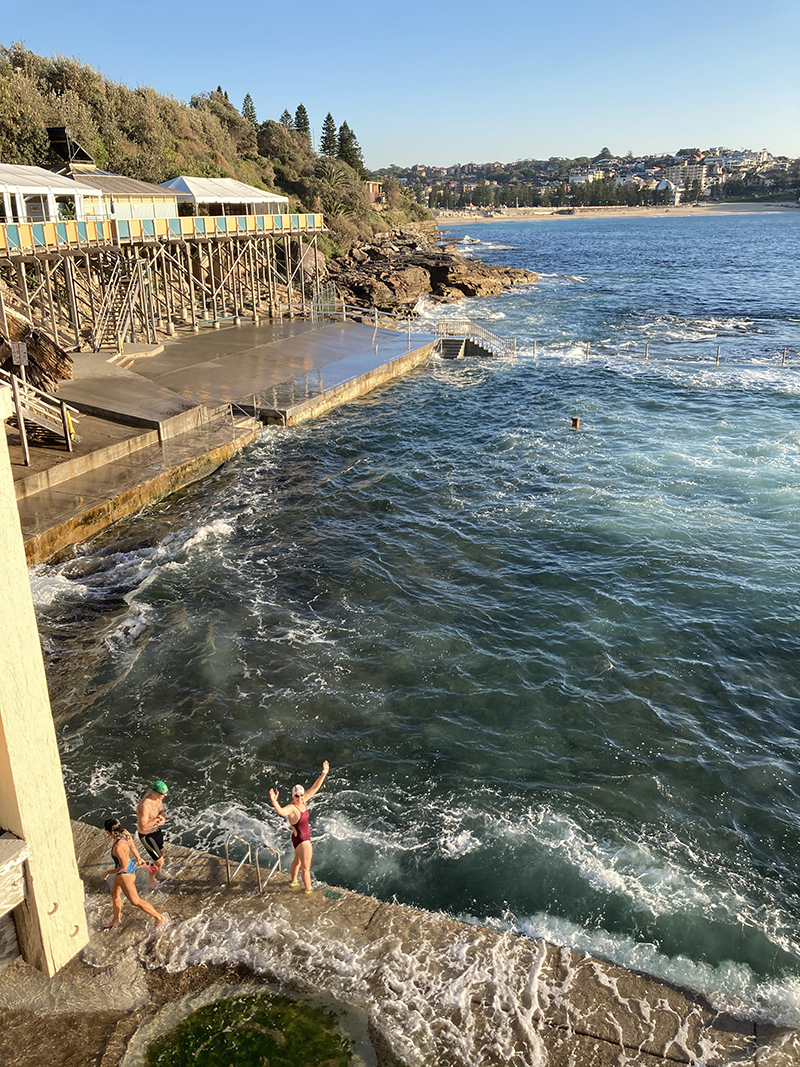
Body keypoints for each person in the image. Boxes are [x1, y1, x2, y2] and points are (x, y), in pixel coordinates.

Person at [269, 761, 329, 894]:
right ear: (293, 796)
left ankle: (293, 881)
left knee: (296, 861)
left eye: (301, 795)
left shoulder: (303, 801)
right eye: (297, 796)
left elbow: (314, 788)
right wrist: (274, 802)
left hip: (297, 839)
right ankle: (309, 889)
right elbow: (281, 812)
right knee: (306, 868)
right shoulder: (292, 808)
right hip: (303, 841)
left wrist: (324, 774)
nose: (300, 798)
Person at [101, 818, 164, 929]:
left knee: (135, 901)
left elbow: (123, 867)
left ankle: (158, 917)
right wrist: (138, 858)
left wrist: (108, 872)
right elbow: (133, 847)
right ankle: (116, 920)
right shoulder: (125, 833)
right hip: (127, 867)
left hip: (124, 873)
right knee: (115, 894)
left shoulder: (118, 847)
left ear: (107, 831)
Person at [137, 779, 170, 888]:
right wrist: (158, 820)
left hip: (156, 831)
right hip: (147, 836)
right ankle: (150, 878)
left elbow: (161, 811)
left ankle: (159, 874)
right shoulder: (145, 805)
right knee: (159, 862)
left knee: (161, 851)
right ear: (156, 792)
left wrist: (163, 816)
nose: (165, 795)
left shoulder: (157, 798)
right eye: (163, 794)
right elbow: (143, 826)